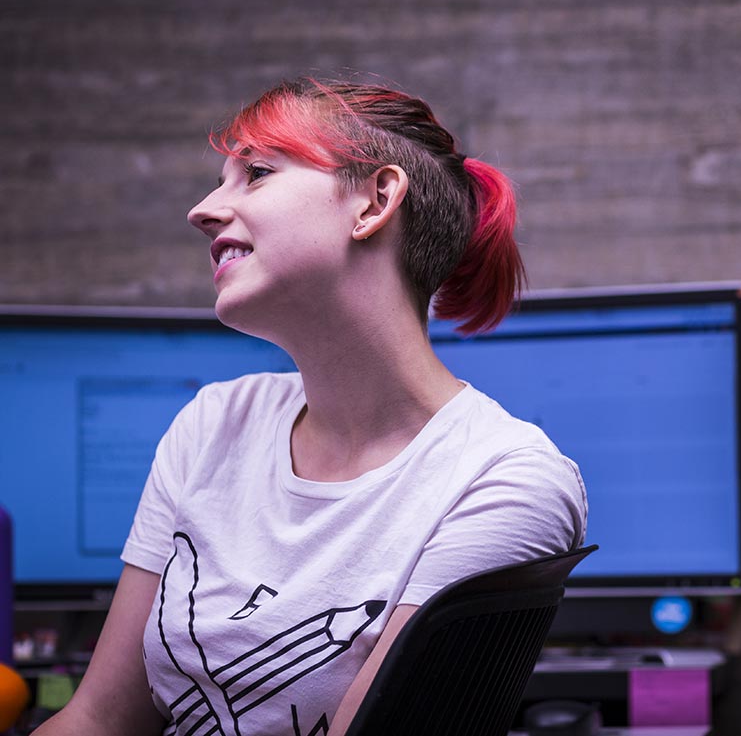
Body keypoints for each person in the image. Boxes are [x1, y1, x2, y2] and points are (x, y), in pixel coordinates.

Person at [35, 78, 588, 736]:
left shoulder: (503, 479)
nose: (203, 209)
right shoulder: (215, 422)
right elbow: (99, 719)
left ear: (374, 201)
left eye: (257, 174)